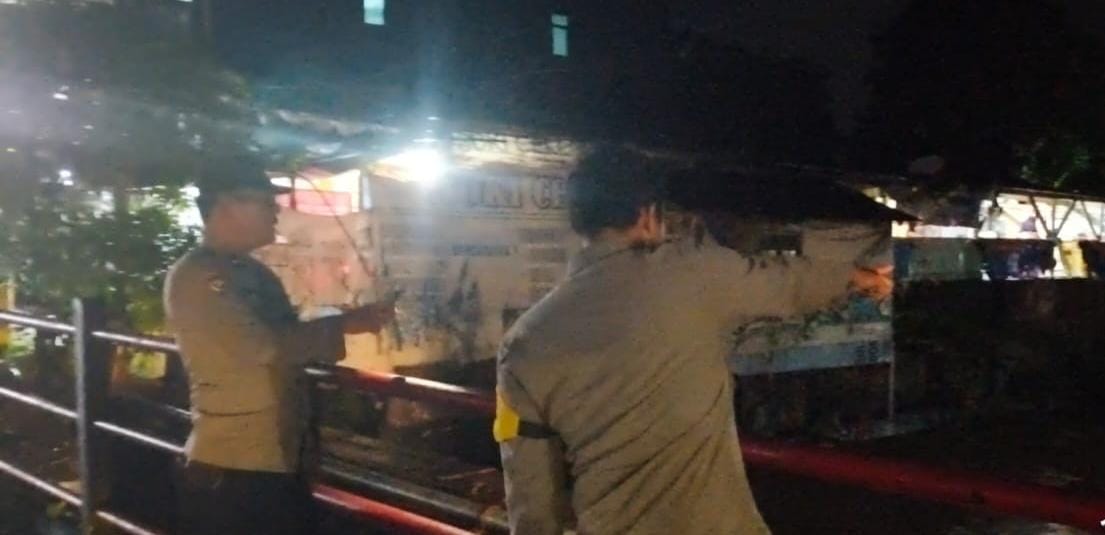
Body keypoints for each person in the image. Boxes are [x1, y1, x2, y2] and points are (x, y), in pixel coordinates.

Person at [494, 147, 889, 534]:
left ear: (580, 221)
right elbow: (787, 282)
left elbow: (528, 484)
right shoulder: (693, 273)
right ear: (648, 214)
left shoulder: (523, 342)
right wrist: (857, 277)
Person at [164, 156, 392, 534]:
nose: (276, 210)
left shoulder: (252, 273)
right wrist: (345, 324)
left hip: (276, 459)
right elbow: (264, 347)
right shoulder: (199, 277)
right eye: (265, 201)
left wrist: (338, 322)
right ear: (227, 205)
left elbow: (287, 337)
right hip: (235, 467)